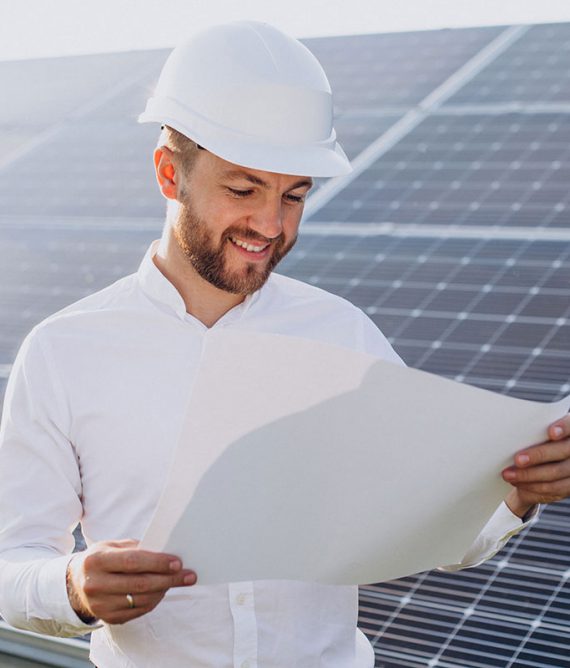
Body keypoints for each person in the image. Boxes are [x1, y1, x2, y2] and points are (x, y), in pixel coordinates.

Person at [0, 20, 569, 668]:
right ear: (168, 172)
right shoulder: (63, 354)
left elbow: (432, 533)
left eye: (294, 196)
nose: (270, 225)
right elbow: (11, 570)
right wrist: (71, 585)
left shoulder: (344, 337)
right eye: (243, 190)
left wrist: (516, 493)